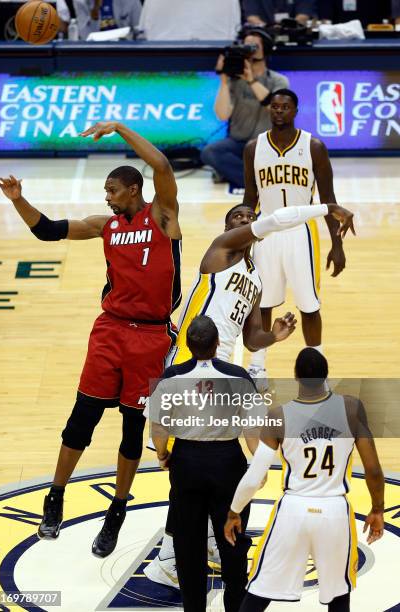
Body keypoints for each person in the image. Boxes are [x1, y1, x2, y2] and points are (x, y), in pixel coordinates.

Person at [0, 121, 181, 558]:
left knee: (133, 430)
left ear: (134, 190)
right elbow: (48, 230)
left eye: (113, 189)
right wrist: (20, 201)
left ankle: (117, 509)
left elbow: (163, 163)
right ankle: (54, 497)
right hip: (111, 331)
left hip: (152, 336)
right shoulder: (105, 226)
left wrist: (119, 128)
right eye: (106, 191)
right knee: (82, 418)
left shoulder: (163, 216)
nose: (107, 196)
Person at [145, 200, 355, 587]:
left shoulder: (256, 279)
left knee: (213, 460)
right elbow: (276, 220)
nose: (244, 220)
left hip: (224, 368)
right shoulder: (221, 250)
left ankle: (207, 540)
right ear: (230, 228)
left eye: (247, 217)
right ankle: (168, 557)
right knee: (193, 462)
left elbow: (251, 335)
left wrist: (273, 337)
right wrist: (326, 207)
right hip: (192, 360)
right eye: (236, 218)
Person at [224, 347, 385, 611]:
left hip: (293, 510)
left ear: (295, 376)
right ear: (326, 376)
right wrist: (377, 508)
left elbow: (255, 475)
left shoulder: (279, 417)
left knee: (258, 593)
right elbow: (374, 469)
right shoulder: (352, 409)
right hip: (334, 511)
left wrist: (234, 511)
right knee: (338, 598)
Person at [149, 315, 263, 612]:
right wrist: (258, 466)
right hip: (228, 463)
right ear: (217, 344)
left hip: (186, 463)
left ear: (188, 345)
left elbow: (158, 428)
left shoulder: (171, 377)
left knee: (189, 546)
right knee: (232, 542)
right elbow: (253, 432)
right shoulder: (239, 377)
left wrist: (163, 455)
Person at [244, 88, 350, 384]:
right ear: (269, 110)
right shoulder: (254, 147)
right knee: (263, 303)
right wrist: (240, 238)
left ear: (295, 110)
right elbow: (249, 197)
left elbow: (329, 198)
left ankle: (316, 369)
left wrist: (337, 244)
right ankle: (257, 365)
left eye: (285, 106)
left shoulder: (313, 146)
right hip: (266, 232)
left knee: (309, 305)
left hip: (300, 233)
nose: (279, 111)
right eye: (275, 106)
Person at [200, 28, 289, 189]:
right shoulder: (234, 81)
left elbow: (278, 109)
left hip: (267, 144)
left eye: (255, 46)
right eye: (246, 46)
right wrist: (224, 81)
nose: (250, 50)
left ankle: (237, 174)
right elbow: (222, 114)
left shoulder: (278, 80)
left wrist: (252, 81)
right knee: (210, 152)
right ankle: (257, 181)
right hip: (237, 143)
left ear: (266, 50)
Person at [56, 0, 142, 40]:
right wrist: (95, 9)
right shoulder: (81, 2)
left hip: (124, 50)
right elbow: (85, 37)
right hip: (95, 52)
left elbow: (139, 31)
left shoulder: (131, 1)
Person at [243, 0, 315, 26]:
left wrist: (286, 28)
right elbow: (252, 17)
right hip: (264, 36)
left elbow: (303, 15)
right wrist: (268, 29)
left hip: (293, 33)